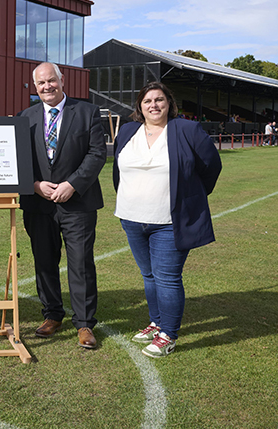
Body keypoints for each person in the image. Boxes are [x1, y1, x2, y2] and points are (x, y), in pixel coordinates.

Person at [113, 82, 222, 358]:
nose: (153, 105)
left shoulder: (186, 130)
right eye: (147, 100)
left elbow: (211, 166)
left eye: (159, 100)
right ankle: (157, 322)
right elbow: (118, 170)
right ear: (140, 106)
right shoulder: (127, 130)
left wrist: (191, 195)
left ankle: (169, 335)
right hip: (131, 217)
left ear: (169, 103)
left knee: (167, 278)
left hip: (168, 221)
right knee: (149, 276)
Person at [18, 62, 106, 349]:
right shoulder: (25, 118)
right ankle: (52, 314)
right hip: (38, 203)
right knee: (44, 262)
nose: (47, 87)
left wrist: (73, 184)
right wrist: (34, 185)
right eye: (41, 83)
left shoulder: (88, 112)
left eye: (51, 81)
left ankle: (84, 324)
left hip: (77, 203)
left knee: (80, 263)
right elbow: (19, 160)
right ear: (35, 87)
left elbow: (96, 154)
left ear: (62, 80)